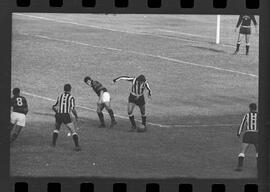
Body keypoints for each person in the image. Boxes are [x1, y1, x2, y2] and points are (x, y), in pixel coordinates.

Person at [52, 84, 81, 151]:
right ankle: (77, 146)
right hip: (65, 115)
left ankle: (53, 144)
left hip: (59, 115)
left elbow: (54, 106)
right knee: (73, 131)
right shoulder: (71, 97)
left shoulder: (60, 96)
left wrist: (56, 112)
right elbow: (73, 109)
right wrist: (76, 116)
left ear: (64, 89)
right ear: (70, 89)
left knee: (56, 129)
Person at [235, 103, 258, 171]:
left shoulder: (247, 115)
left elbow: (242, 124)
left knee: (242, 151)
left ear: (250, 108)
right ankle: (260, 167)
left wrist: (238, 133)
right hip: (257, 134)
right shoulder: (260, 115)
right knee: (258, 152)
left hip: (248, 134)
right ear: (256, 108)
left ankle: (239, 167)